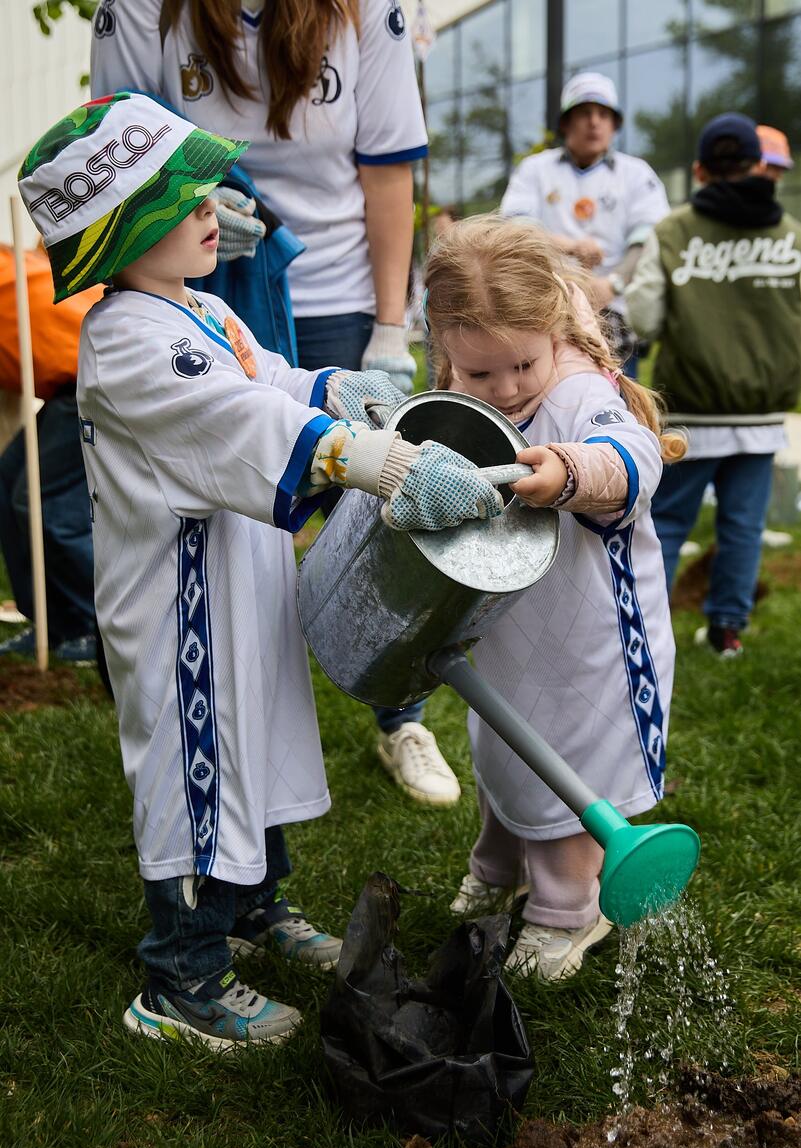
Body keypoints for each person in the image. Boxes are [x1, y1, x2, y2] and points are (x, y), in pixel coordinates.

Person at [18, 92, 503, 1047]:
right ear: (123, 231)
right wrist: (390, 464)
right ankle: (181, 979)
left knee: (255, 750)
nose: (216, 209)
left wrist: (334, 389)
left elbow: (268, 382)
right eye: (188, 198)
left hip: (234, 587)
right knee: (200, 770)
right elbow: (246, 426)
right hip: (180, 609)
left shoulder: (194, 308)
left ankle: (251, 909)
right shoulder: (125, 340)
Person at [90, 0, 462, 807]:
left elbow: (387, 170)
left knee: (374, 524)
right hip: (193, 274)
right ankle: (211, 695)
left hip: (334, 290)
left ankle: (400, 711)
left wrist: (387, 331)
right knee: (231, 502)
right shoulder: (142, 11)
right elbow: (111, 143)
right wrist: (192, 211)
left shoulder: (367, 11)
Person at [422, 215, 684, 980]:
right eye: (479, 375)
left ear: (549, 331)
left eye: (521, 366)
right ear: (444, 347)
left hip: (591, 639)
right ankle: (499, 866)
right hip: (510, 631)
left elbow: (629, 459)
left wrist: (569, 473)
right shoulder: (462, 382)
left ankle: (567, 910)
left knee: (568, 762)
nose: (504, 390)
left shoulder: (576, 393)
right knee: (506, 748)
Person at [626, 113, 801, 658]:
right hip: (761, 412)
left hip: (692, 411)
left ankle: (647, 634)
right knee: (743, 526)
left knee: (671, 522)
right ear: (757, 166)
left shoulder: (673, 231)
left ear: (699, 170)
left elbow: (645, 317)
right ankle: (727, 632)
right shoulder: (790, 235)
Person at [500, 71, 669, 376]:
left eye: (604, 114)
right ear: (566, 123)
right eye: (585, 113)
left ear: (614, 125)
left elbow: (649, 238)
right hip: (547, 309)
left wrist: (610, 284)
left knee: (618, 403)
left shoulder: (636, 174)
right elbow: (514, 230)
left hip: (614, 314)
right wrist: (571, 247)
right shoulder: (534, 170)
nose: (594, 122)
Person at [0, 248, 102, 663]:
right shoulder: (13, 263)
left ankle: (90, 626)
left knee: (44, 502)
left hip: (90, 379)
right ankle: (48, 620)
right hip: (65, 384)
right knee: (7, 480)